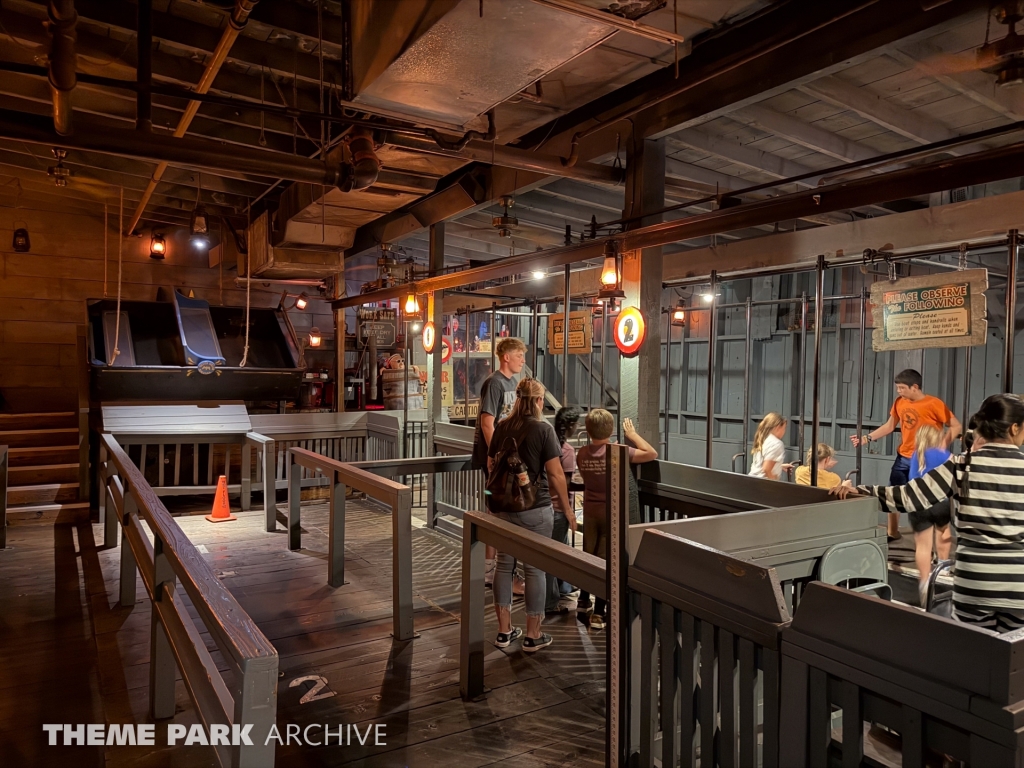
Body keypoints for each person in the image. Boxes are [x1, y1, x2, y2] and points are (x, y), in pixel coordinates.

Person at [833, 393, 1024, 633]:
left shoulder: (962, 464)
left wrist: (856, 491)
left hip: (975, 580)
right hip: (1019, 582)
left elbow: (906, 497)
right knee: (1016, 658)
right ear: (1015, 428)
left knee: (978, 653)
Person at [487, 378, 576, 652]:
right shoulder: (543, 430)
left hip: (503, 508)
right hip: (534, 509)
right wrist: (568, 510)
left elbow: (491, 464)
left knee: (504, 564)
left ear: (517, 399)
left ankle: (504, 632)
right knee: (534, 569)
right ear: (538, 401)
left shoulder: (501, 427)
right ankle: (533, 635)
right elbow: (556, 474)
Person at [850, 369, 960, 538]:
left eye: (902, 388)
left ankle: (933, 542)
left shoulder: (934, 404)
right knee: (893, 491)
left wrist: (942, 445)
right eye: (898, 388)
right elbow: (889, 425)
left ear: (915, 387)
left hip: (926, 458)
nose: (899, 391)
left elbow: (956, 426)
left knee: (928, 497)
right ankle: (892, 532)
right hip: (904, 456)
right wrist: (867, 438)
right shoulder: (899, 402)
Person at [576, 411, 657, 630]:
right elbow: (651, 453)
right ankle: (599, 613)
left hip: (590, 512)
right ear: (611, 430)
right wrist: (633, 434)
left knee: (588, 554)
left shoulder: (581, 452)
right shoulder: (618, 452)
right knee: (606, 559)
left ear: (588, 429)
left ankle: (583, 601)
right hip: (610, 512)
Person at [472, 337, 527, 589]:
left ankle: (494, 571)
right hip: (497, 458)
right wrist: (495, 454)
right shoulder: (494, 383)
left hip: (505, 456)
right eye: (519, 355)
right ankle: (498, 572)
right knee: (499, 510)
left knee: (498, 509)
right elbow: (487, 422)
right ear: (506, 357)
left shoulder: (512, 383)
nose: (522, 360)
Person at [906, 424, 953, 605]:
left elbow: (912, 480)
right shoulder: (944, 455)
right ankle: (943, 566)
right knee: (943, 531)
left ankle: (924, 583)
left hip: (918, 502)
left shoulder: (915, 455)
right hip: (940, 501)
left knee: (923, 545)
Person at [546, 407, 581, 614]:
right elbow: (564, 485)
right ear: (569, 426)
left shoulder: (548, 444)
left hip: (544, 506)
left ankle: (564, 586)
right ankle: (550, 602)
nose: (578, 428)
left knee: (560, 547)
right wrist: (568, 511)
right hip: (559, 508)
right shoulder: (566, 451)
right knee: (555, 554)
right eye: (576, 424)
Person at [749, 413, 792, 481]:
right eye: (784, 428)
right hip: (763, 485)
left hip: (752, 481)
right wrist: (774, 483)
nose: (784, 431)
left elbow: (762, 464)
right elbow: (766, 469)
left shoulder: (763, 439)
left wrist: (779, 466)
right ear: (778, 427)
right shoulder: (777, 443)